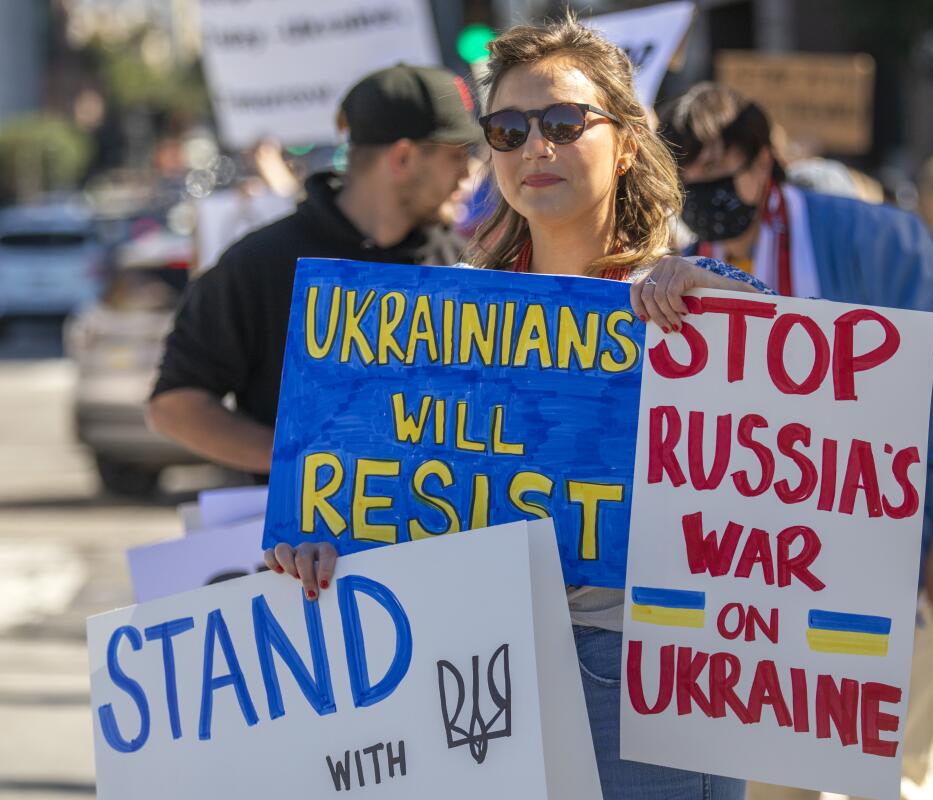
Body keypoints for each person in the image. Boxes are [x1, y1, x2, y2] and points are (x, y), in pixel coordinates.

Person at [265, 16, 771, 800]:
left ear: (626, 143)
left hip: (636, 688)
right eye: (507, 129)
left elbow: (795, 438)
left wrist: (728, 309)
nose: (536, 147)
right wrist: (327, 549)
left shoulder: (694, 305)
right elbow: (403, 495)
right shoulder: (439, 328)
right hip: (466, 681)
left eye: (565, 123)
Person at [658, 81, 933, 800]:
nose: (702, 195)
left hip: (896, 549)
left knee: (899, 777)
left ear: (761, 168)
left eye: (717, 177)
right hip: (759, 578)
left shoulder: (875, 238)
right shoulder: (678, 268)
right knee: (772, 783)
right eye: (686, 183)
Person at [146, 64, 476, 478]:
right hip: (302, 541)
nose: (467, 175)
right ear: (404, 157)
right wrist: (304, 462)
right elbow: (174, 406)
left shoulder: (468, 264)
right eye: (456, 156)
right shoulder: (261, 264)